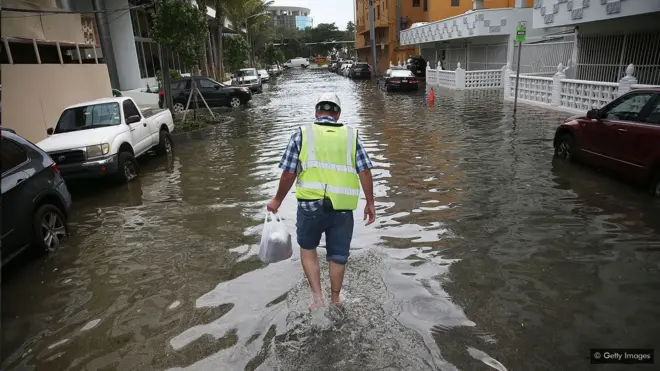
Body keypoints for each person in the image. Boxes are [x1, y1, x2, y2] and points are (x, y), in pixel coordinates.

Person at [267, 93, 376, 309]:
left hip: (310, 206)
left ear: (316, 112)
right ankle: (336, 299)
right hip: (342, 208)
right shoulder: (351, 136)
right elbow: (364, 171)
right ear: (338, 113)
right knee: (337, 255)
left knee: (308, 249)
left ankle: (318, 297)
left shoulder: (302, 133)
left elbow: (288, 174)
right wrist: (370, 202)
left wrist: (277, 200)